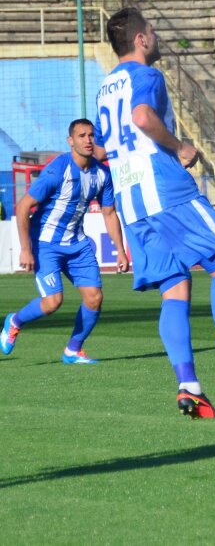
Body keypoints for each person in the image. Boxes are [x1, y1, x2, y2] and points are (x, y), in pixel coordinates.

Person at [95, 8, 215, 417]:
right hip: (165, 190)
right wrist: (180, 147)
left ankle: (189, 387)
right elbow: (142, 118)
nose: (157, 35)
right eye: (153, 30)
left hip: (130, 198)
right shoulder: (147, 76)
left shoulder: (105, 87)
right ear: (141, 39)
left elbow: (104, 145)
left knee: (174, 288)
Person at [1, 119, 129, 364]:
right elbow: (23, 206)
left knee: (94, 298)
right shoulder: (58, 169)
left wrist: (120, 251)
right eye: (81, 136)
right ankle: (14, 321)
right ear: (71, 141)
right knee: (52, 303)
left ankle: (73, 350)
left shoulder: (102, 173)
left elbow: (109, 212)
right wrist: (26, 249)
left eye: (91, 135)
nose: (88, 140)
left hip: (78, 245)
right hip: (46, 244)